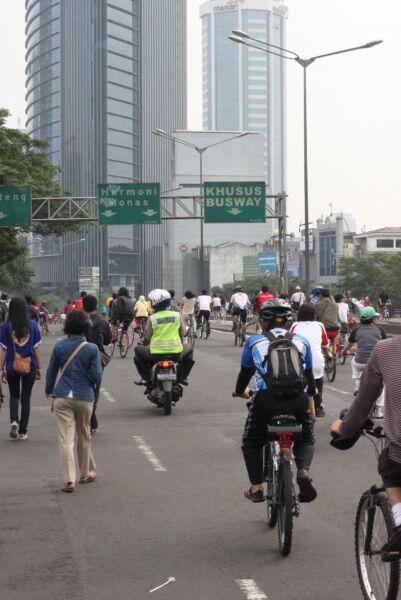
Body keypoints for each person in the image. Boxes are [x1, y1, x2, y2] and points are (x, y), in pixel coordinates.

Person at [234, 299, 317, 503]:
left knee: (251, 442)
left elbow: (245, 374)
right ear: (289, 322)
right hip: (297, 400)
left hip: (265, 400)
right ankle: (303, 471)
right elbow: (310, 380)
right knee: (306, 438)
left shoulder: (254, 342)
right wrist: (311, 392)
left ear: (262, 321)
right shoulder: (301, 341)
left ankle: (257, 488)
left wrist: (239, 391)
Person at [330, 334, 401, 555]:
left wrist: (344, 428)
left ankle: (399, 521)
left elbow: (364, 401)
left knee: (390, 467)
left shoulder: (386, 350)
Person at [46, 310, 102, 493]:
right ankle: (85, 473)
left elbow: (52, 371)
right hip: (84, 396)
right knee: (84, 434)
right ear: (86, 327)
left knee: (65, 439)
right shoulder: (92, 349)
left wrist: (49, 391)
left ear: (67, 326)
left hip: (62, 396)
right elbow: (96, 375)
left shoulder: (60, 346)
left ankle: (69, 480)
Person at [134, 289, 194, 391]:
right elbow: (183, 333)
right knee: (190, 348)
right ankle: (182, 377)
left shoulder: (152, 318)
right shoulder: (176, 315)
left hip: (155, 354)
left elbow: (147, 337)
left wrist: (143, 344)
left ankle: (145, 378)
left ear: (155, 303)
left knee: (137, 350)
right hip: (176, 353)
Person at [0, 297, 42, 440]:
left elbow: (4, 350)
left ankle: (13, 421)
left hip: (12, 366)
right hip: (29, 366)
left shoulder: (6, 326)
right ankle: (23, 430)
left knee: (14, 395)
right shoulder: (32, 325)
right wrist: (39, 367)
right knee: (26, 398)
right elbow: (36, 348)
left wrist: (1, 369)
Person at [343, 306, 387, 416]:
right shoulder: (379, 329)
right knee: (381, 383)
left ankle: (358, 390)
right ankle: (379, 410)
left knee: (355, 363)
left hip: (360, 363)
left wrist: (344, 351)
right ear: (373, 319)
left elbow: (350, 344)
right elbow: (386, 345)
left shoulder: (356, 329)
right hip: (375, 363)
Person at [290, 303, 331, 417]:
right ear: (314, 315)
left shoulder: (295, 325)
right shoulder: (319, 325)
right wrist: (328, 355)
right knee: (318, 382)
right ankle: (318, 407)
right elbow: (324, 344)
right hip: (316, 361)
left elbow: (290, 342)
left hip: (298, 362)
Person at [82, 294, 112, 433]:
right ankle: (91, 415)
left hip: (80, 357)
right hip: (97, 358)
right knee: (95, 388)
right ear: (97, 306)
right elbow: (107, 341)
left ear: (83, 306)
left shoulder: (79, 321)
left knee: (81, 386)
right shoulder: (103, 322)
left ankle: (87, 417)